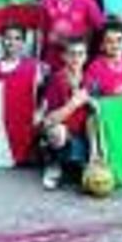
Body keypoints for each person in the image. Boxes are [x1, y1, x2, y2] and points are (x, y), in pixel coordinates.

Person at [40, 37, 97, 190]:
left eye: (80, 54)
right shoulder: (56, 79)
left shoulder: (90, 80)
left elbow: (96, 116)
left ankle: (92, 162)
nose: (76, 58)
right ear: (64, 56)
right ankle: (54, 165)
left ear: (86, 57)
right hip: (63, 132)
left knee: (94, 119)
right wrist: (73, 103)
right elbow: (49, 120)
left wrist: (93, 104)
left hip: (84, 135)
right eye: (72, 54)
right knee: (56, 131)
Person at [38, 0, 105, 74]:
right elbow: (41, 35)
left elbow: (100, 27)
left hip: (78, 60)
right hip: (53, 62)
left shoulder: (87, 1)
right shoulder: (45, 2)